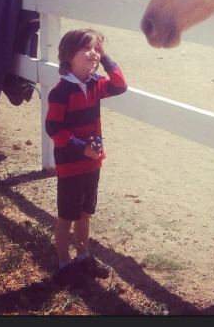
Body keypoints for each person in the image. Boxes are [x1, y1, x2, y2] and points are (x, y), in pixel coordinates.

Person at [45, 28, 128, 287]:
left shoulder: (95, 84)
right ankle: (63, 264)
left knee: (84, 211)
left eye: (97, 48)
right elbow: (54, 129)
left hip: (92, 162)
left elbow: (120, 85)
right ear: (69, 55)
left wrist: (105, 58)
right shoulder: (60, 92)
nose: (93, 53)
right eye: (88, 49)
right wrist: (82, 147)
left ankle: (83, 256)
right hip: (71, 163)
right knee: (66, 215)